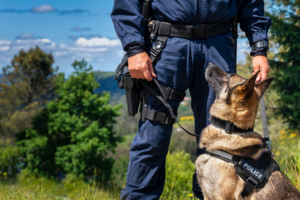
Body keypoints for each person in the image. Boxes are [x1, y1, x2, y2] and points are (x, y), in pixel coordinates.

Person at [111, 0, 271, 199]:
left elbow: (251, 2)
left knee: (220, 137)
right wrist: (135, 48)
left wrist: (259, 47)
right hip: (167, 43)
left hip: (218, 43)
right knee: (153, 133)